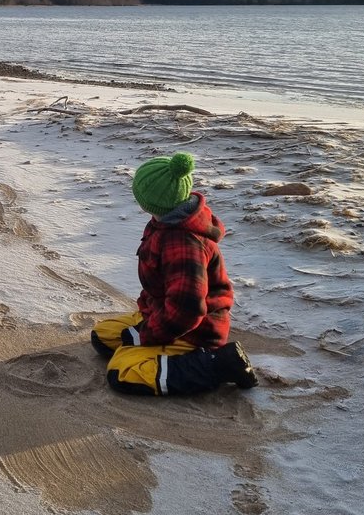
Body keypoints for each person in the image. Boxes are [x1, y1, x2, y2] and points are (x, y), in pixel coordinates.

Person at [90, 151, 257, 396]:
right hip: (162, 312)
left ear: (150, 200)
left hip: (194, 331)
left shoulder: (183, 243)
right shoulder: (167, 220)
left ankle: (218, 364)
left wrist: (144, 335)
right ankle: (154, 347)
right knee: (102, 336)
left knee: (121, 371)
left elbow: (187, 311)